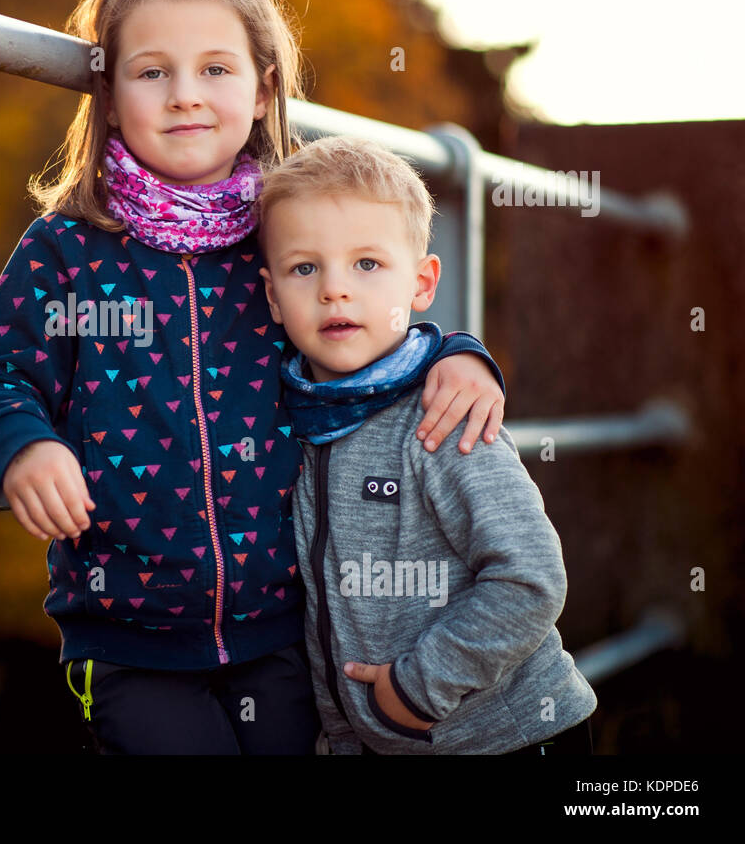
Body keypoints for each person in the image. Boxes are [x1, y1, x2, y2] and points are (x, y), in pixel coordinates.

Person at [0, 0, 508, 755]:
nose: (185, 95)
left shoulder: (288, 237)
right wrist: (25, 444)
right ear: (110, 95)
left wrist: (458, 353)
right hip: (126, 635)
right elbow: (0, 369)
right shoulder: (68, 250)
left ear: (265, 88)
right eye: (152, 72)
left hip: (286, 630)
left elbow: (373, 323)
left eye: (216, 70)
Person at [256, 134, 597, 754]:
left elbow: (531, 578)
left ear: (421, 283)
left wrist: (416, 689)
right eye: (305, 268)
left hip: (509, 738)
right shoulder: (292, 417)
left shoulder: (443, 418)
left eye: (367, 264)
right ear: (274, 297)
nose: (335, 289)